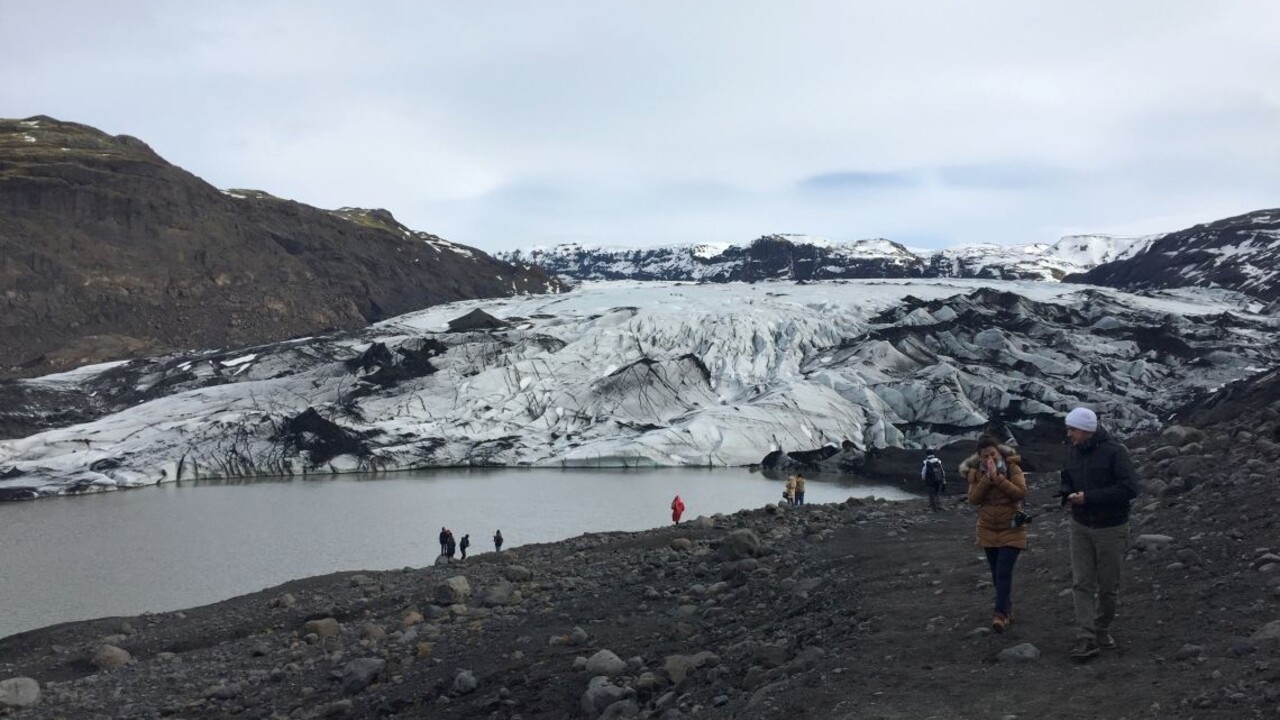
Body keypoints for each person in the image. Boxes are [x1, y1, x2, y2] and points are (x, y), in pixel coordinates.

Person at [1060, 407, 1141, 662]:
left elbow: (1129, 488)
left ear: (1085, 430)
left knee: (1108, 586)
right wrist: (1067, 493)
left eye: (1072, 429)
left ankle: (1101, 627)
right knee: (1081, 582)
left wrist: (1089, 498)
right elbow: (1066, 477)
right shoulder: (1073, 452)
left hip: (1111, 528)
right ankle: (1086, 636)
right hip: (1080, 525)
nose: (1069, 434)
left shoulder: (1115, 452)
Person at [963, 434, 1028, 634]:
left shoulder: (1011, 468)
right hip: (988, 528)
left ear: (998, 452)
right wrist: (986, 480)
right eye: (985, 456)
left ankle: (999, 614)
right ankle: (1006, 608)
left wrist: (998, 479)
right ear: (979, 457)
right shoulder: (975, 473)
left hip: (1012, 527)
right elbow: (973, 499)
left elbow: (1020, 492)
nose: (989, 459)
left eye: (992, 454)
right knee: (995, 574)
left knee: (1003, 571)